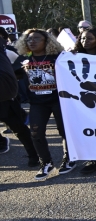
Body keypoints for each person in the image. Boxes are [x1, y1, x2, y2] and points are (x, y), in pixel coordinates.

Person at [16, 29, 72, 180]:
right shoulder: (23, 59)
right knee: (36, 133)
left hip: (59, 101)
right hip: (37, 103)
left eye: (36, 39)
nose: (32, 42)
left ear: (47, 42)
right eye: (28, 39)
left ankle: (69, 158)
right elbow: (13, 74)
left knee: (64, 131)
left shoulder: (58, 58)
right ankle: (46, 163)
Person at [71, 28, 96, 174]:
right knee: (90, 128)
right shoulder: (74, 57)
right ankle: (94, 159)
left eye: (89, 39)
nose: (85, 42)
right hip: (85, 99)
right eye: (82, 39)